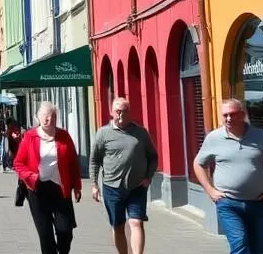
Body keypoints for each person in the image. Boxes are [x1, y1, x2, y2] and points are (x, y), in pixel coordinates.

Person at [192, 98, 263, 253]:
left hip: (258, 203)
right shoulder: (214, 138)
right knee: (240, 243)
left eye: (232, 114)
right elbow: (198, 164)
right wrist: (210, 190)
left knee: (259, 249)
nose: (228, 118)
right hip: (228, 203)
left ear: (242, 115)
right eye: (225, 115)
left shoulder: (261, 137)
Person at [89, 98, 157, 254]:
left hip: (137, 187)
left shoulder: (141, 133)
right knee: (118, 226)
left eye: (123, 111)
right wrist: (94, 185)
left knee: (136, 222)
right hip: (112, 188)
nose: (119, 114)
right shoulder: (103, 133)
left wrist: (148, 177)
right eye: (117, 111)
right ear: (111, 112)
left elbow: (153, 156)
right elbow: (94, 161)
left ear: (129, 113)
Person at [14, 101, 82, 254]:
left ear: (55, 118)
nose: (47, 119)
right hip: (37, 189)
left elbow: (73, 162)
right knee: (45, 235)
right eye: (44, 116)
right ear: (38, 117)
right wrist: (30, 177)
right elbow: (18, 163)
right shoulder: (30, 136)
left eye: (50, 116)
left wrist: (77, 186)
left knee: (65, 231)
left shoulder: (63, 136)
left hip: (60, 188)